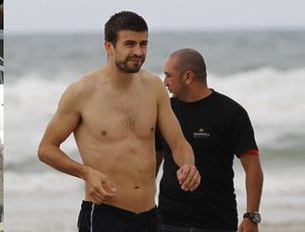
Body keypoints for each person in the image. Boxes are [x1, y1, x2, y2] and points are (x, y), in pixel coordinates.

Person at [37, 11, 201, 231]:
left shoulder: (154, 88)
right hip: (105, 214)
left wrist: (188, 164)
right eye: (129, 44)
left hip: (150, 215)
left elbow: (179, 144)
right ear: (109, 46)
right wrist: (87, 173)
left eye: (143, 44)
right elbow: (46, 149)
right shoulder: (82, 92)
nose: (138, 52)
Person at [157, 48, 263, 232]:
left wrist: (251, 217)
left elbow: (253, 167)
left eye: (168, 76)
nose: (164, 82)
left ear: (188, 76)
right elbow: (154, 160)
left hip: (217, 222)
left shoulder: (231, 113)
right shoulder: (166, 111)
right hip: (168, 221)